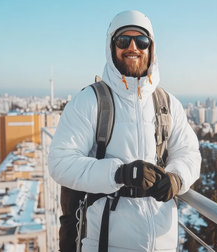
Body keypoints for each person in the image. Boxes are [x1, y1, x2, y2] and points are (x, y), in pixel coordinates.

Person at [49, 10, 201, 251]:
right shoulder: (89, 101)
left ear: (152, 49)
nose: (133, 47)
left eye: (141, 41)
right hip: (104, 239)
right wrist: (119, 174)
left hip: (163, 240)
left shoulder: (167, 103)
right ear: (112, 47)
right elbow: (60, 162)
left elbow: (189, 153)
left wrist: (177, 177)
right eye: (123, 40)